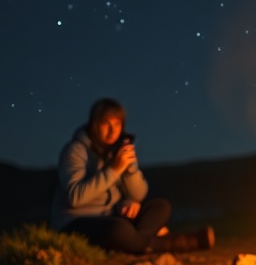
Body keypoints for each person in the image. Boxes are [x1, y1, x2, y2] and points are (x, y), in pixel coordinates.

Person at [51, 98, 214, 253]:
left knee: (161, 207)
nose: (112, 130)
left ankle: (134, 243)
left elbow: (139, 194)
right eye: (106, 123)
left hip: (112, 215)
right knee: (118, 229)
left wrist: (129, 176)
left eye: (117, 124)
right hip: (76, 220)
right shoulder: (75, 151)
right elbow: (75, 198)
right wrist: (114, 170)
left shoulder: (116, 151)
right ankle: (174, 243)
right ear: (94, 124)